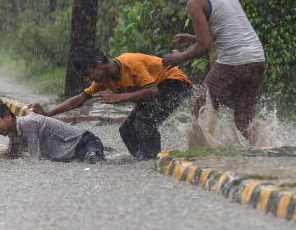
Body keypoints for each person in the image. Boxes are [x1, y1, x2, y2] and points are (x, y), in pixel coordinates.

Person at [163, 0, 265, 143]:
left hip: (236, 60)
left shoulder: (195, 0)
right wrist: (193, 38)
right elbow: (228, 27)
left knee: (201, 104)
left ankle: (198, 154)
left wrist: (179, 58)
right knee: (243, 119)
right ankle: (268, 148)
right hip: (257, 59)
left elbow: (205, 45)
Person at [30, 47, 191, 160]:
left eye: (88, 74)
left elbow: (153, 92)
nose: (89, 79)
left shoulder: (130, 63)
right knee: (126, 129)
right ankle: (143, 160)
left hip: (176, 83)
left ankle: (153, 160)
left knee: (144, 121)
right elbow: (78, 100)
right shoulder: (103, 79)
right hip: (155, 91)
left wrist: (119, 98)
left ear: (100, 63)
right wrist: (48, 114)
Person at [0, 98, 106, 163]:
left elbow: (35, 160)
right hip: (74, 153)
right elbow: (11, 155)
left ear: (7, 115)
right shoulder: (13, 135)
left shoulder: (29, 124)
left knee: (98, 164)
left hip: (84, 141)